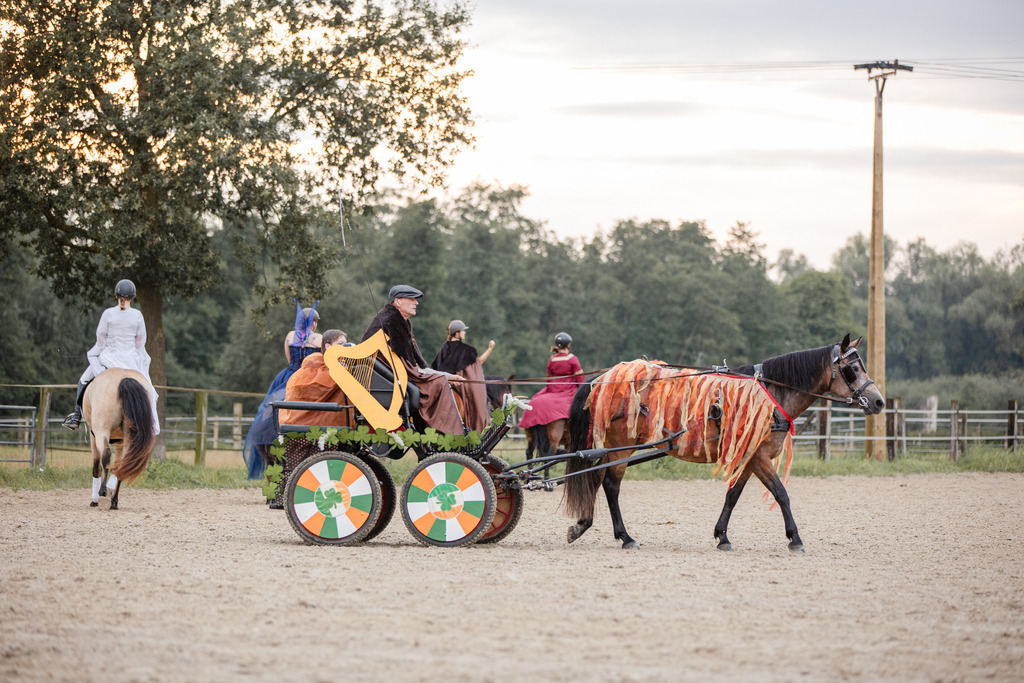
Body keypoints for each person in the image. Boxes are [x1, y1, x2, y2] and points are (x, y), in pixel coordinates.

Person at [361, 285, 465, 435]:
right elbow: (409, 367)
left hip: (394, 377)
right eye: (411, 298)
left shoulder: (402, 322)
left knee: (440, 380)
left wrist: (447, 376)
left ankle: (442, 434)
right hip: (385, 380)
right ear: (397, 302)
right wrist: (443, 377)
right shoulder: (391, 321)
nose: (416, 303)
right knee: (438, 384)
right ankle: (443, 435)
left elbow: (415, 365)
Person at [62, 279, 159, 434]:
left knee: (83, 380)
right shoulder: (138, 315)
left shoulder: (108, 314)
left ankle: (76, 417)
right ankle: (152, 421)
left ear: (116, 295)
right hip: (132, 361)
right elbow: (140, 343)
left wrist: (97, 352)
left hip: (109, 359)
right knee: (149, 390)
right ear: (132, 297)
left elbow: (101, 340)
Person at [243, 300, 323, 480]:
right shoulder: (319, 338)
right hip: (308, 377)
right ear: (314, 323)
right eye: (315, 321)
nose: (315, 324)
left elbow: (289, 360)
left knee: (269, 407)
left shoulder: (289, 335)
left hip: (287, 376)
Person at [279, 329, 354, 427]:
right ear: (328, 346)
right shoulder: (313, 366)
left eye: (346, 344)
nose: (345, 347)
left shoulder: (346, 365)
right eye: (341, 343)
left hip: (334, 422)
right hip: (314, 424)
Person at [431, 320, 495, 432]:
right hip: (458, 383)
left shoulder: (444, 348)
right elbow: (478, 363)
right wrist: (490, 349)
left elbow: (436, 367)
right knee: (478, 396)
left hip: (442, 382)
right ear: (457, 333)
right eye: (463, 331)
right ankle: (478, 428)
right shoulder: (467, 350)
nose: (464, 333)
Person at [518, 332, 584, 431]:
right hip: (569, 390)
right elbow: (580, 379)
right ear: (568, 345)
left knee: (536, 400)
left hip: (553, 389)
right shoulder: (572, 359)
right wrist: (581, 390)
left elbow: (548, 378)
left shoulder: (552, 359)